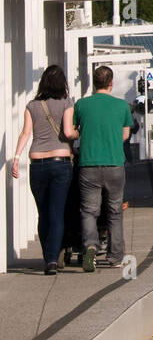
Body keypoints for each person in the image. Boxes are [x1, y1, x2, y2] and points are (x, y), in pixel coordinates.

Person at [63, 65, 133, 273]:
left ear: (94, 83)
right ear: (111, 83)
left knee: (88, 211)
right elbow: (125, 135)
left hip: (88, 166)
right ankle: (116, 256)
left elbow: (73, 131)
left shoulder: (82, 105)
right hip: (114, 165)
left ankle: (90, 248)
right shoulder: (122, 106)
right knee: (114, 211)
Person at [10, 64, 74, 275]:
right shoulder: (67, 103)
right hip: (60, 163)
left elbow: (25, 134)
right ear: (62, 83)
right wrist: (77, 134)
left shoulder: (32, 105)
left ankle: (48, 256)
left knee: (43, 214)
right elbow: (67, 131)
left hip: (37, 164)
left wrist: (17, 158)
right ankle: (52, 260)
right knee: (57, 213)